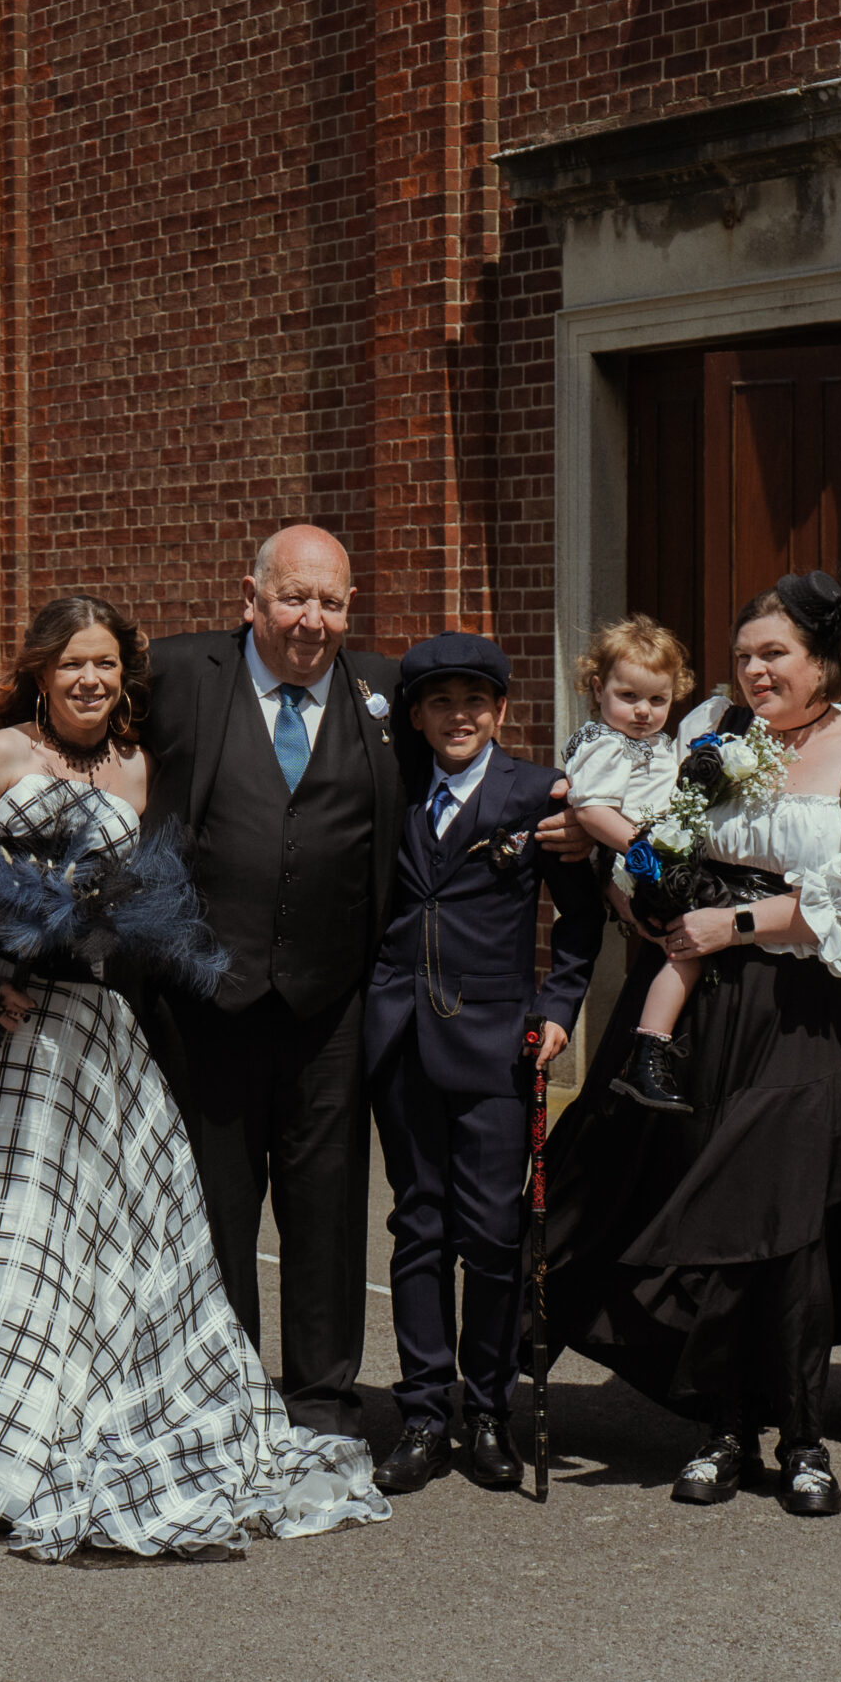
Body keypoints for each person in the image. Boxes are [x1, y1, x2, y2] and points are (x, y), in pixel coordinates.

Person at [0, 594, 390, 1559]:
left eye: (107, 665)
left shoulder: (145, 766)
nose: (90, 679)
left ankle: (32, 1430)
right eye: (72, 663)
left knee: (76, 1245)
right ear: (40, 671)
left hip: (89, 1024)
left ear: (127, 678)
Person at [0, 526, 404, 1437]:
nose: (312, 619)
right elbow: (79, 711)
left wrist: (569, 813)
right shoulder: (185, 676)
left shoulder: (382, 692)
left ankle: (321, 1400)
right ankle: (220, 1394)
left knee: (329, 1208)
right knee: (214, 1206)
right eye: (294, 597)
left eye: (332, 602)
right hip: (201, 998)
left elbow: (468, 754)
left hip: (328, 1005)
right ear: (251, 597)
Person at [536, 572, 841, 1518]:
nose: (753, 670)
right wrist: (601, 844)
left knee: (783, 1216)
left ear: (824, 660)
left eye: (774, 653)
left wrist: (736, 922)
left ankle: (800, 1437)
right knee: (706, 1204)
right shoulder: (711, 727)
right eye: (745, 654)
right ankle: (721, 1426)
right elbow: (641, 821)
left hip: (806, 1003)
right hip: (699, 992)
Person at [363, 633, 601, 1495]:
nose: (457, 716)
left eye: (474, 701)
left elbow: (580, 920)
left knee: (495, 1236)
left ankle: (490, 1408)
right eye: (439, 702)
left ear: (500, 711)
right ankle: (425, 1410)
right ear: (417, 717)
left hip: (498, 1038)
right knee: (417, 1225)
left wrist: (557, 1009)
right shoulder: (391, 788)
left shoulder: (537, 795)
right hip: (399, 1035)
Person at [558, 616, 700, 1111]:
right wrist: (643, 849)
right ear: (598, 689)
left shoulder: (650, 743)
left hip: (650, 855)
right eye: (629, 697)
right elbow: (593, 809)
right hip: (634, 861)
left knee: (682, 946)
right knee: (689, 946)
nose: (643, 712)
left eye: (657, 701)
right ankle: (648, 1047)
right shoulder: (605, 744)